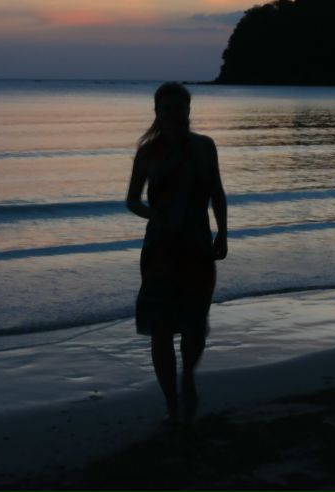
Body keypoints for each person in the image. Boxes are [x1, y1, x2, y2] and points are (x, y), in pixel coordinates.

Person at [126, 82, 228, 424]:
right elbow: (132, 200)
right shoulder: (148, 152)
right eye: (166, 109)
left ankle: (188, 379)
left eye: (178, 108)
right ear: (157, 112)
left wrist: (223, 232)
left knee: (194, 325)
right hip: (160, 248)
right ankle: (172, 404)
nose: (172, 114)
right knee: (161, 328)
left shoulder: (204, 146)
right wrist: (155, 215)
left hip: (198, 245)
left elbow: (216, 192)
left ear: (188, 110)